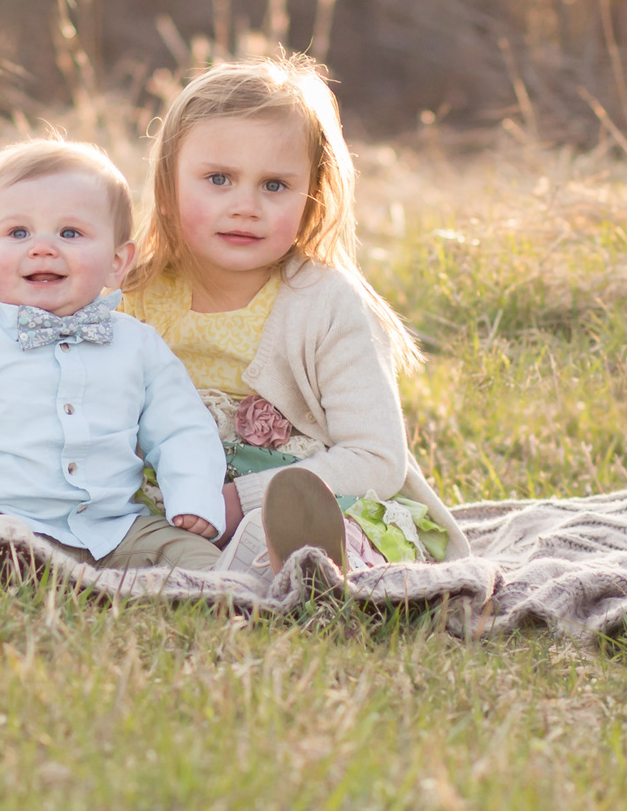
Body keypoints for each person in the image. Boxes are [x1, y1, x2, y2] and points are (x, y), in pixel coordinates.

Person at [124, 56, 472, 574]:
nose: (245, 206)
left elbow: (376, 458)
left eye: (274, 186)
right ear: (168, 190)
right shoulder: (137, 294)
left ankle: (308, 569)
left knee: (335, 536)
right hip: (175, 501)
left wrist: (244, 499)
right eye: (218, 179)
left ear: (310, 201)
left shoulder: (326, 303)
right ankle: (229, 568)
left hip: (313, 492)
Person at [0, 139, 269, 571]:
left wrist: (194, 495)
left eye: (70, 233)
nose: (42, 247)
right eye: (18, 233)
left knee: (196, 560)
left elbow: (182, 429)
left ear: (117, 262)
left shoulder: (138, 345)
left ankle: (243, 579)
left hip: (115, 528)